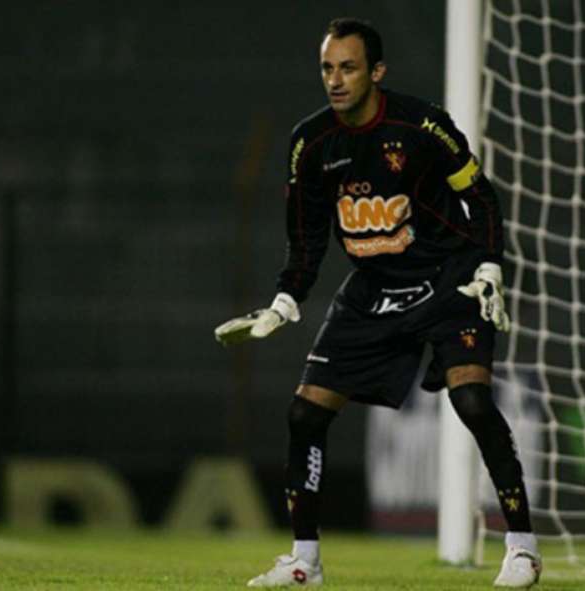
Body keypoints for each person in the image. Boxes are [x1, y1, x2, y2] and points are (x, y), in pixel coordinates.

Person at [214, 17, 541, 589]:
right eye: (327, 68)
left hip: (449, 279)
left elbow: (480, 196)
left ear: (377, 72)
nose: (335, 80)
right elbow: (307, 237)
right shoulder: (310, 143)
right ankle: (304, 562)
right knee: (304, 413)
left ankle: (521, 548)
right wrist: (286, 299)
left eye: (348, 67)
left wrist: (490, 262)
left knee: (471, 401)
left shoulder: (423, 126)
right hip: (372, 289)